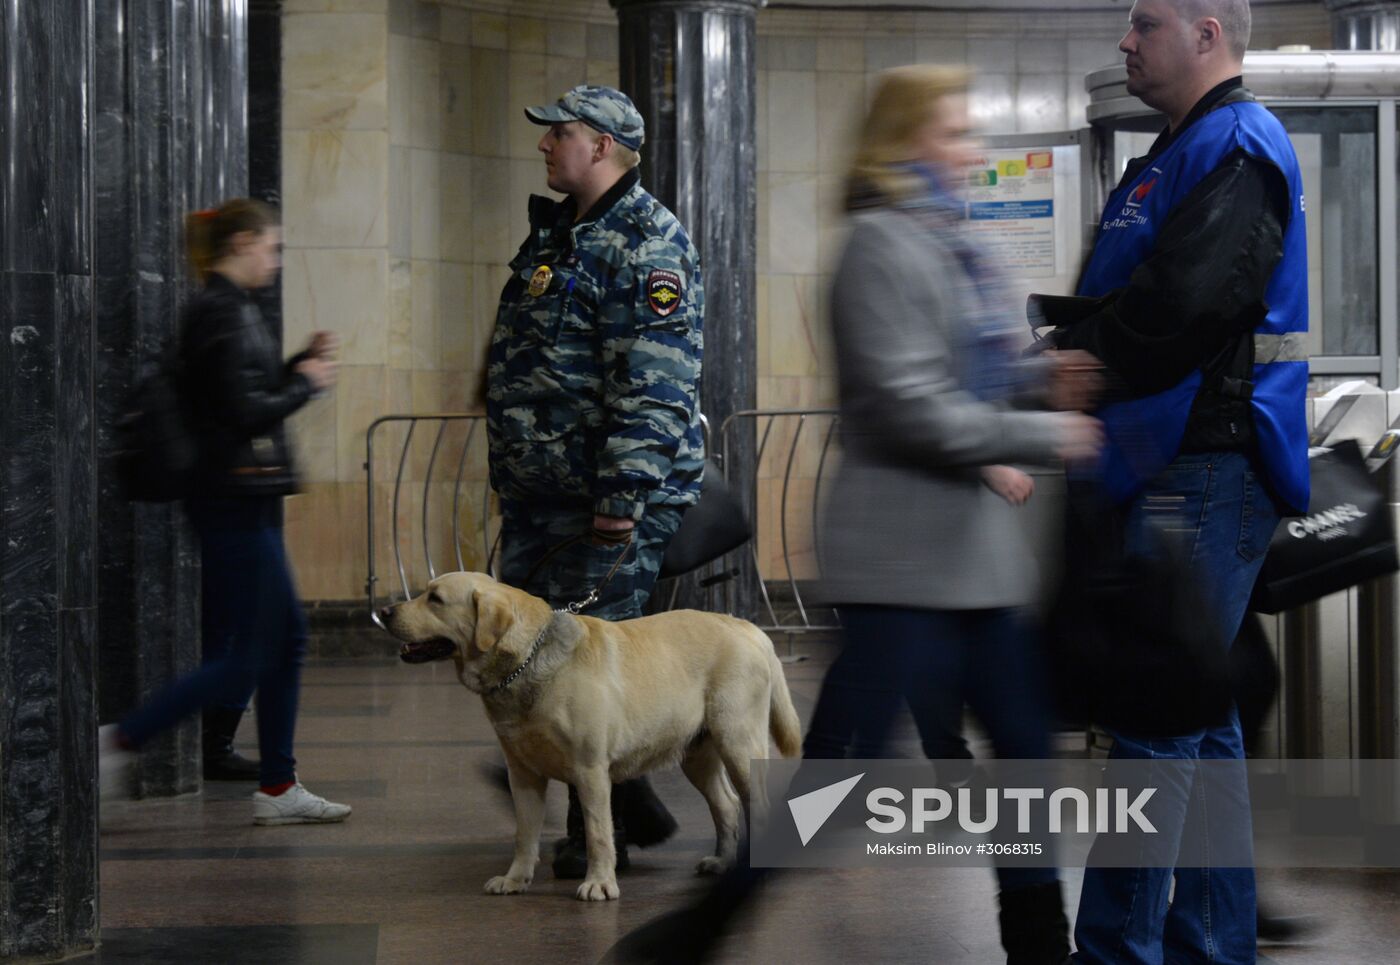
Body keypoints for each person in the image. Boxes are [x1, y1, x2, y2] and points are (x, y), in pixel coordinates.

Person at [1043, 2, 1310, 962]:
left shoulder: (1238, 144)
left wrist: (1077, 356)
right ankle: (1211, 945)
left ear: (1206, 31)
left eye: (1144, 23)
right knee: (1199, 721)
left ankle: (1119, 951)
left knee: (1155, 720)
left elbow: (1189, 301)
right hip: (1175, 460)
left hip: (1207, 460)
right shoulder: (1176, 149)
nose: (1125, 42)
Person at [485, 84, 705, 879]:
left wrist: (622, 498)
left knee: (580, 669)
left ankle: (597, 838)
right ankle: (620, 804)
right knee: (526, 662)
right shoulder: (557, 238)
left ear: (604, 146)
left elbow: (656, 382)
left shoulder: (648, 245)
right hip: (541, 496)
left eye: (561, 133)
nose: (546, 145)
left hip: (599, 505)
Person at [98, 199, 350, 827]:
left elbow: (235, 398)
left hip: (244, 496)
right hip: (230, 499)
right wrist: (308, 383)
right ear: (241, 243)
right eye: (273, 246)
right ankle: (122, 739)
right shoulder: (219, 310)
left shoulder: (231, 309)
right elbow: (239, 415)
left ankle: (278, 784)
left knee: (283, 639)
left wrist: (295, 368)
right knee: (253, 652)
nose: (277, 258)